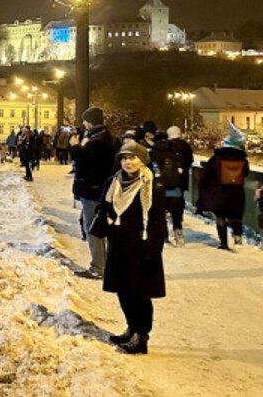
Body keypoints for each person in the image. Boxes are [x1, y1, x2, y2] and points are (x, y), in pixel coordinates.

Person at [101, 141, 167, 355]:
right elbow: (106, 207)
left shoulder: (153, 187)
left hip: (141, 247)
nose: (128, 162)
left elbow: (158, 224)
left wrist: (153, 254)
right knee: (122, 290)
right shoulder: (114, 183)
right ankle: (131, 328)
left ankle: (142, 336)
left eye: (133, 158)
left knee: (140, 294)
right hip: (119, 245)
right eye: (124, 158)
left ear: (143, 160)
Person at [72, 107, 119, 278]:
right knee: (100, 228)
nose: (83, 124)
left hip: (93, 191)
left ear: (89, 121)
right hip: (103, 189)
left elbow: (83, 163)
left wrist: (75, 148)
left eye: (85, 120)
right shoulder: (109, 139)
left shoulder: (95, 142)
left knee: (93, 229)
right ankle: (105, 265)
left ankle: (98, 267)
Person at [196, 123, 250, 249]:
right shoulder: (243, 159)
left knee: (220, 216)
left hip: (219, 192)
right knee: (236, 215)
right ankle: (237, 238)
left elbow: (207, 175)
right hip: (237, 192)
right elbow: (246, 173)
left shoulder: (216, 158)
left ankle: (224, 243)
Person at [154, 125, 195, 245]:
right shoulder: (184, 146)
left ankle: (164, 235)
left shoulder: (157, 149)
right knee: (177, 207)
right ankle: (178, 231)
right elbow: (189, 161)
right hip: (178, 182)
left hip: (160, 183)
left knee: (160, 210)